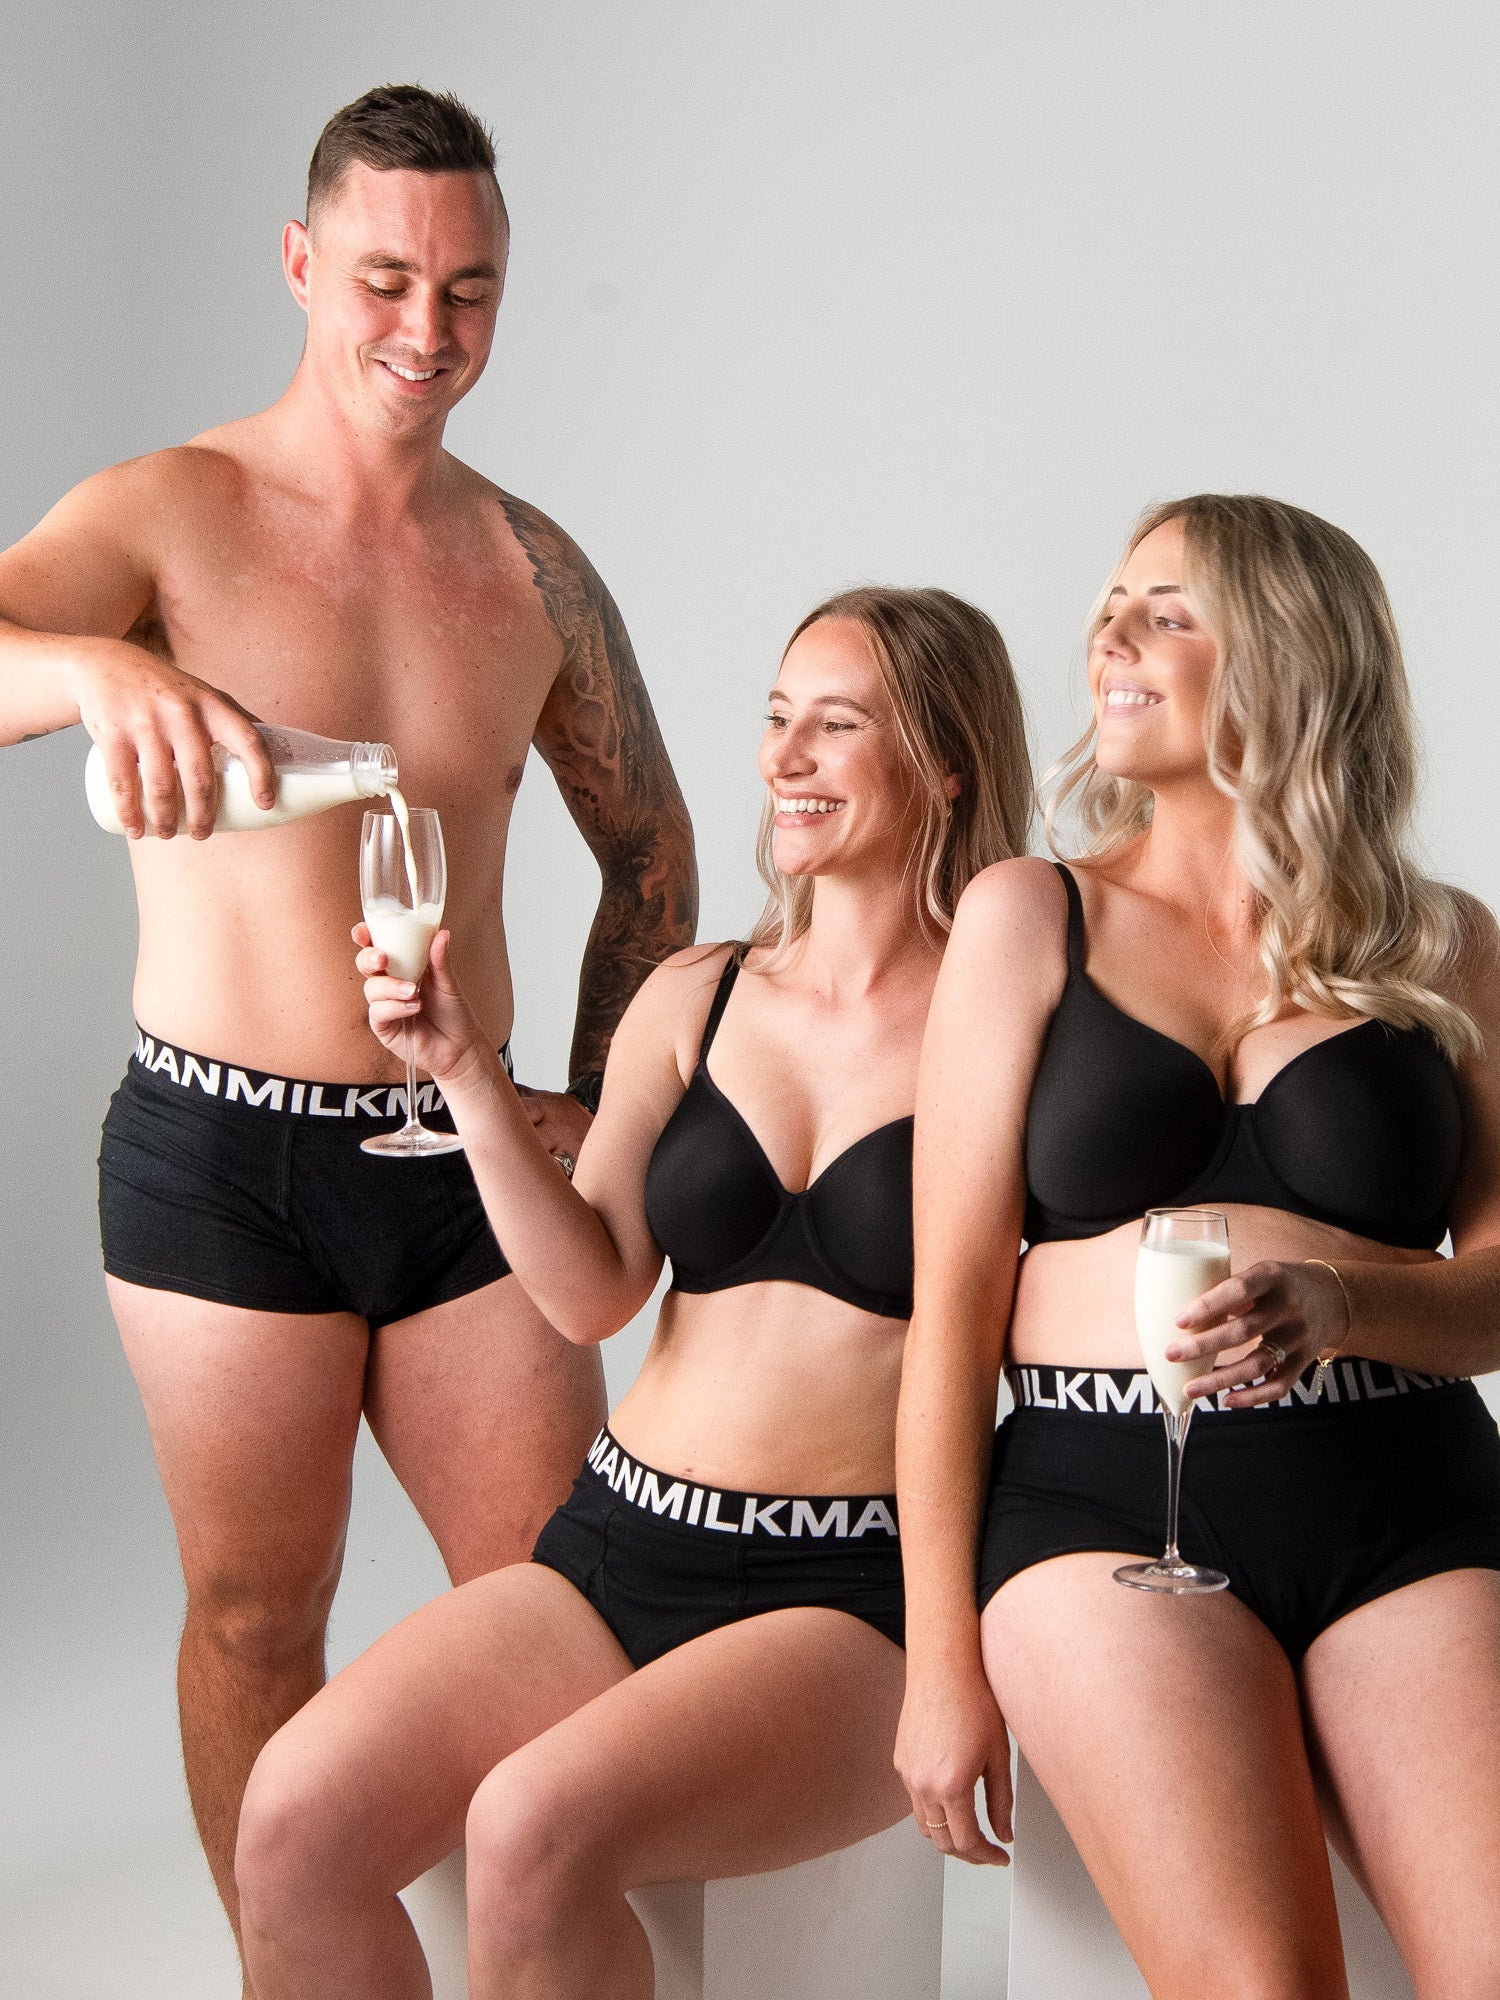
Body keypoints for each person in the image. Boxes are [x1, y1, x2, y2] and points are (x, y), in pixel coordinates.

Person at [0, 83, 696, 1970]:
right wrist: (95, 668)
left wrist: (593, 1108)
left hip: (458, 1161)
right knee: (255, 1615)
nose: (425, 329)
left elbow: (649, 849)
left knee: (554, 1604)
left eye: (469, 291)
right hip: (220, 1158)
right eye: (386, 278)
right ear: (303, 263)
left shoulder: (533, 569)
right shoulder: (169, 510)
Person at [230, 585, 1031, 1999]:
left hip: (852, 1587)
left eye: (837, 724)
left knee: (533, 1830)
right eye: (776, 717)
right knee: (293, 1821)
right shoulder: (698, 995)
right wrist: (463, 1072)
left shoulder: (1016, 1017)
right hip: (618, 1543)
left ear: (947, 759)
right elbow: (590, 1290)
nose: (785, 757)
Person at [895, 494, 1500, 1997]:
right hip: (1099, 1498)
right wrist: (937, 1664)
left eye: (1165, 614)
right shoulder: (1030, 915)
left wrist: (1344, 1301)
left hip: (1407, 1493)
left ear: (1290, 658)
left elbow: (1499, 1294)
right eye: (1111, 609)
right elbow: (951, 1311)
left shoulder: (1446, 946)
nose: (1110, 640)